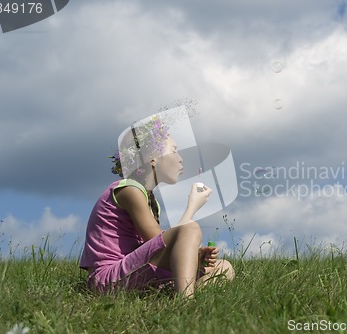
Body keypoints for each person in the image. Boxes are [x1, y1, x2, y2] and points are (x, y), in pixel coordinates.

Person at [79, 114, 234, 297]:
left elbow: (160, 248)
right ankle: (185, 303)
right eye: (174, 150)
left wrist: (196, 257)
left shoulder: (149, 198)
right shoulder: (130, 190)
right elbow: (158, 242)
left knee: (225, 267)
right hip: (107, 280)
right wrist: (192, 207)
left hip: (132, 273)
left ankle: (168, 296)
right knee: (190, 228)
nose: (180, 158)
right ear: (152, 158)